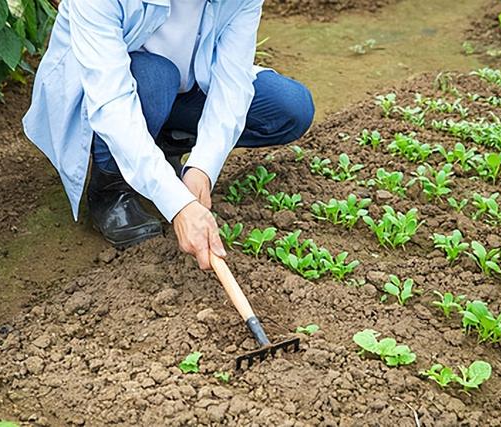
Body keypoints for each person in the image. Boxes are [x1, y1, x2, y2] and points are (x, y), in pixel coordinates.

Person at [23, 0, 315, 270]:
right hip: (117, 91)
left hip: (187, 88)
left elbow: (232, 83)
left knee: (290, 107)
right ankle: (110, 191)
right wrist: (178, 205)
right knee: (156, 77)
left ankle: (166, 143)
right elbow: (112, 105)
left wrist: (202, 167)